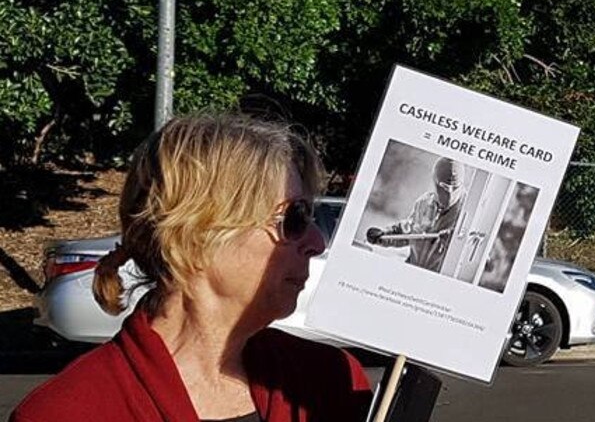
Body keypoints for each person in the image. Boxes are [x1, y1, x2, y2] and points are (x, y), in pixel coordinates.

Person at [11, 114, 372, 422]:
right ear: (196, 233)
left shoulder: (330, 382)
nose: (317, 242)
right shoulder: (68, 413)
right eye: (295, 217)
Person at [365, 157, 466, 272]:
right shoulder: (424, 203)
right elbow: (407, 232)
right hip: (411, 270)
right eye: (444, 187)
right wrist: (382, 236)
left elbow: (483, 261)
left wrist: (455, 245)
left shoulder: (468, 212)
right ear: (435, 183)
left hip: (438, 280)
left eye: (455, 187)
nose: (450, 193)